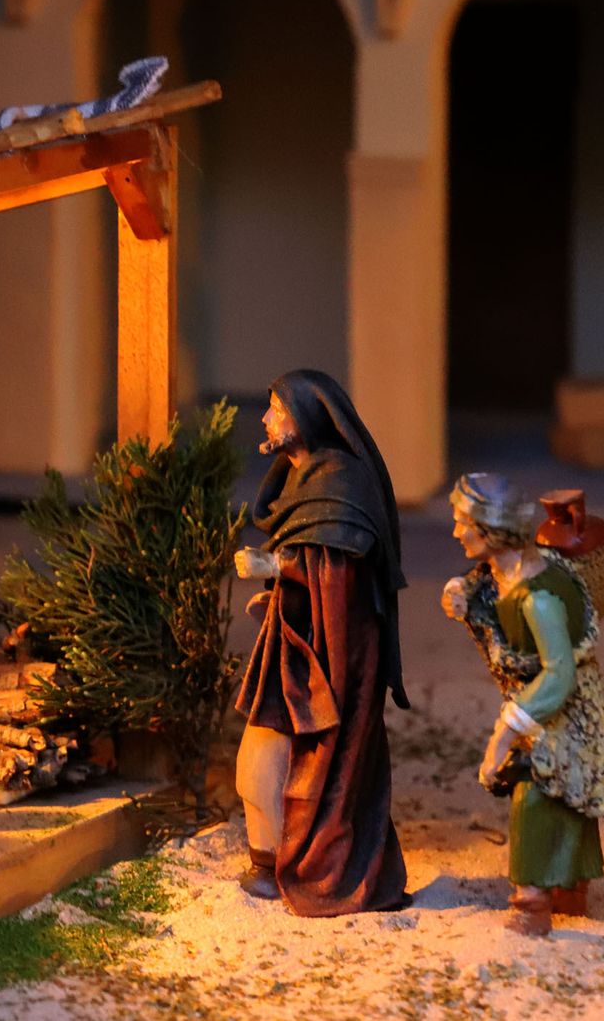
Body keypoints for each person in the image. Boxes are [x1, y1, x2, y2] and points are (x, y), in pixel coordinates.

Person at [231, 368, 410, 915]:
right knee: (257, 761)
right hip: (295, 640)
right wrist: (279, 591)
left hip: (337, 653)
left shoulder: (341, 480)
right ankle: (271, 858)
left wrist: (275, 563)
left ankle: (312, 865)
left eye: (275, 409)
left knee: (309, 760)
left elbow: (340, 565)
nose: (265, 419)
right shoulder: (299, 479)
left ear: (305, 417)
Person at [441, 473, 604, 936]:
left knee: (535, 785)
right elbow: (492, 587)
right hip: (538, 697)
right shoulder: (506, 571)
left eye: (464, 523)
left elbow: (558, 676)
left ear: (493, 529)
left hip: (568, 709)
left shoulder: (539, 598)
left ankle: (533, 903)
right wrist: (464, 592)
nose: (457, 532)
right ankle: (568, 886)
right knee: (558, 796)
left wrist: (505, 734)